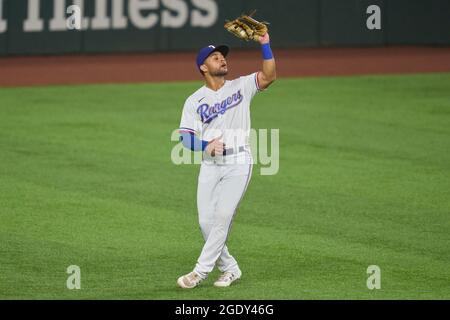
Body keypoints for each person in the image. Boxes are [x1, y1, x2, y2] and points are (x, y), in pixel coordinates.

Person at [177, 32, 276, 288]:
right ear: (203, 67)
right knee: (205, 222)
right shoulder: (194, 101)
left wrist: (264, 44)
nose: (222, 60)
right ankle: (230, 268)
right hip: (210, 165)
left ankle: (199, 272)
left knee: (222, 216)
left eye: (222, 56)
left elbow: (269, 76)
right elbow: (185, 139)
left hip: (238, 162)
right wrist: (205, 145)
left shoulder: (241, 85)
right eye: (215, 57)